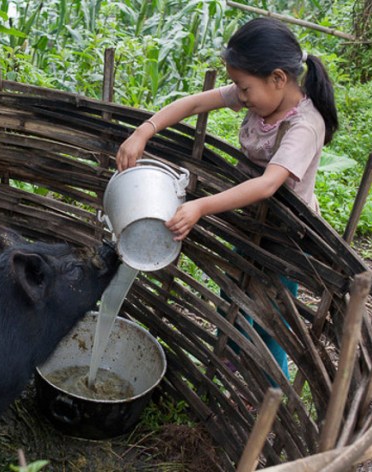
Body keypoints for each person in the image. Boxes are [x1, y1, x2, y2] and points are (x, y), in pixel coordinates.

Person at [115, 17, 338, 380]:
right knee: (233, 297)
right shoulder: (260, 92)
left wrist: (201, 205)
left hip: (284, 239)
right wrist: (145, 130)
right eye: (237, 86)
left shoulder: (304, 125)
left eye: (244, 87)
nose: (239, 95)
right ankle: (231, 367)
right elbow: (191, 105)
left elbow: (268, 185)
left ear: (278, 78)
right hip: (249, 221)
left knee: (273, 320)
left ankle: (270, 390)